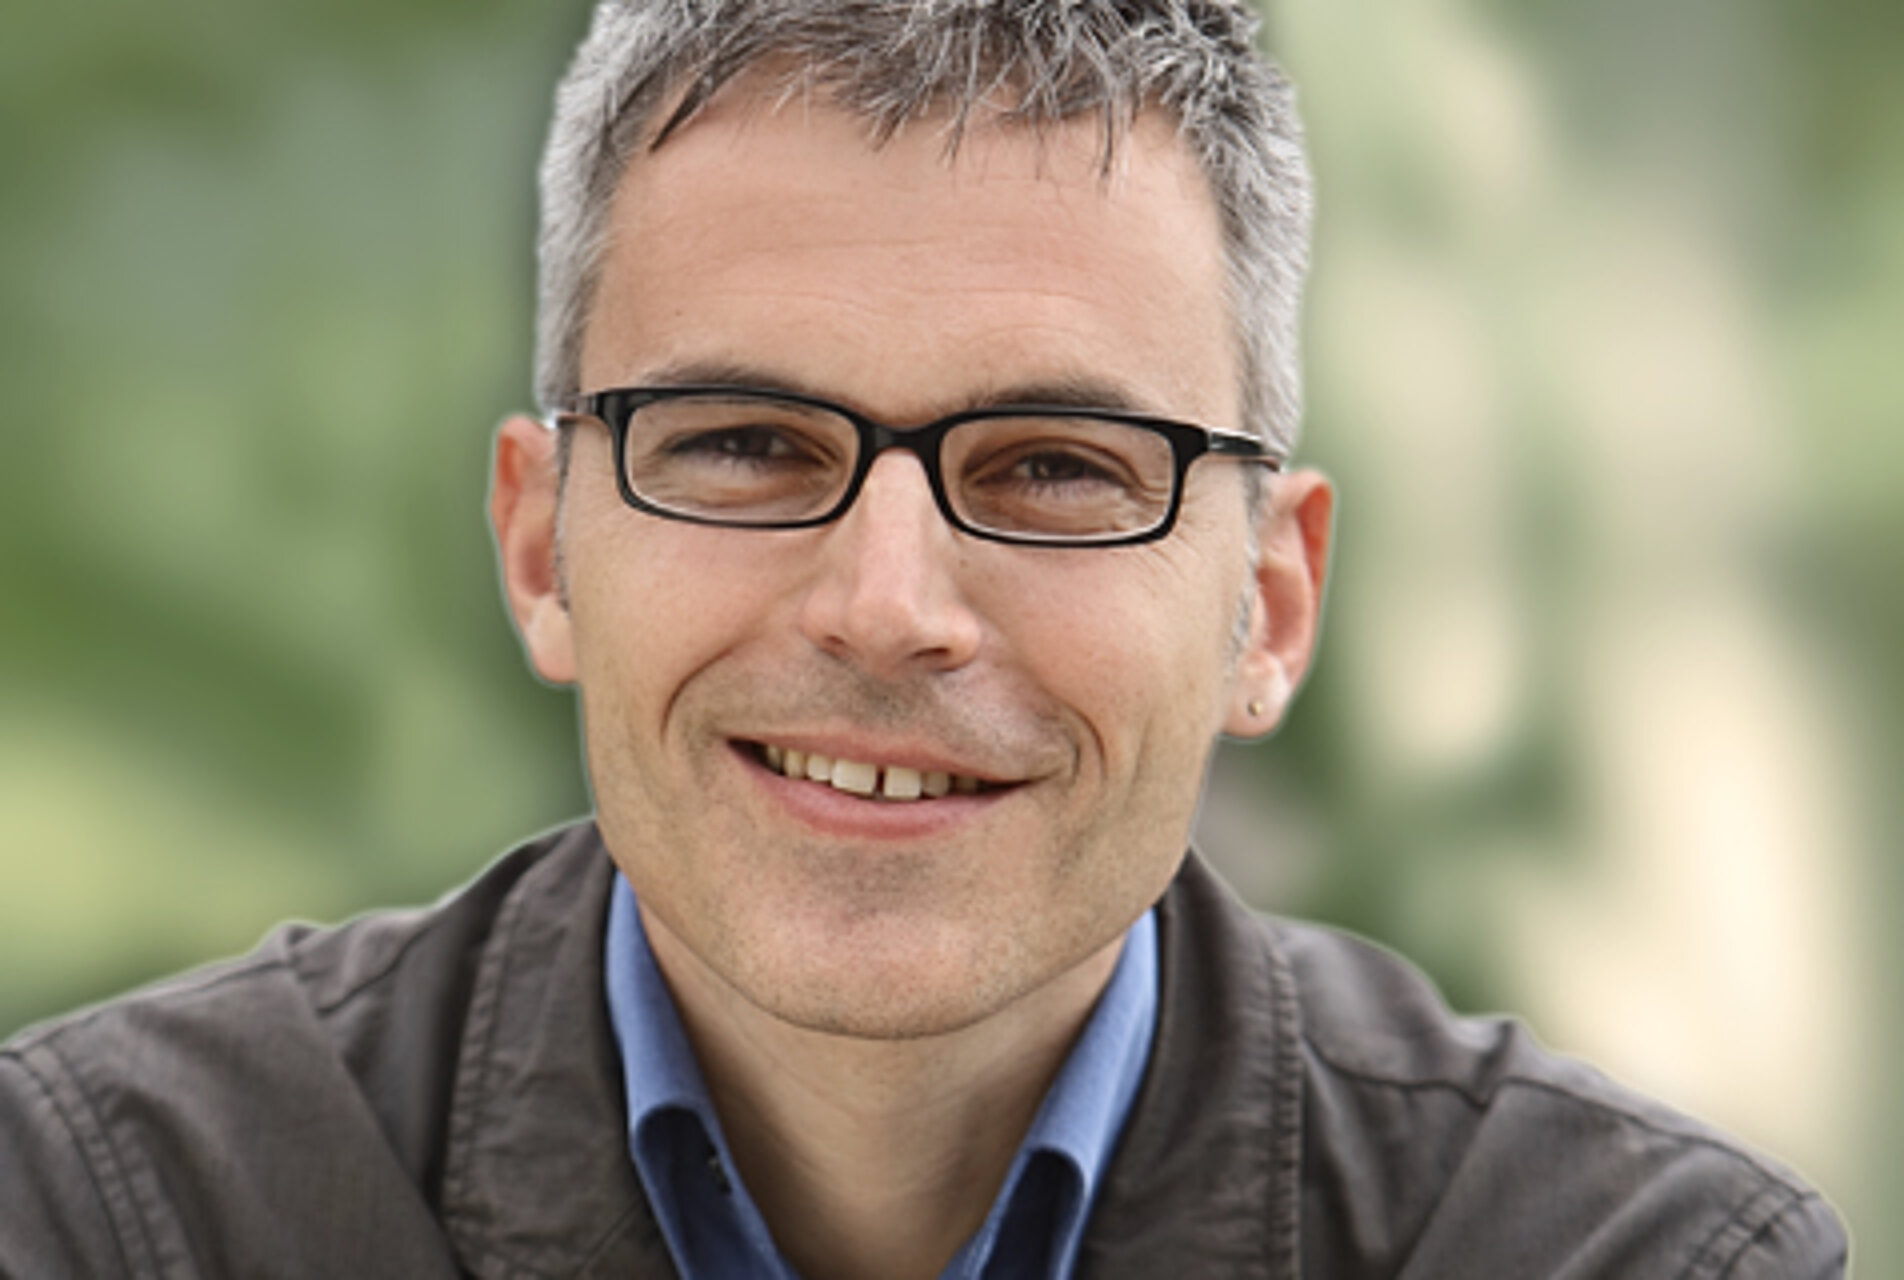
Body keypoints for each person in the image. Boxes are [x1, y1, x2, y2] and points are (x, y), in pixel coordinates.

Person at [0, 1, 1848, 1276]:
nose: (887, 607)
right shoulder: (106, 1215)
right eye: (745, 444)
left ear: (1267, 605)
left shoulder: (1626, 1256)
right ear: (544, 544)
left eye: (1056, 467)